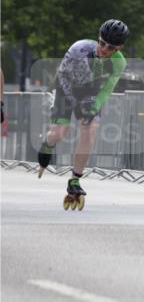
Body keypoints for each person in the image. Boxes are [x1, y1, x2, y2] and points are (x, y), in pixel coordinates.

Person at [37, 20, 129, 205]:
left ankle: (75, 180)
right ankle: (47, 145)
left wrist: (93, 109)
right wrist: (75, 104)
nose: (104, 49)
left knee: (90, 128)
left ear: (119, 48)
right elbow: (62, 76)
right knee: (60, 134)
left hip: (90, 91)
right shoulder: (79, 49)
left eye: (110, 47)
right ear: (98, 39)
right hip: (66, 87)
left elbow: (107, 89)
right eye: (102, 43)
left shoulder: (120, 63)